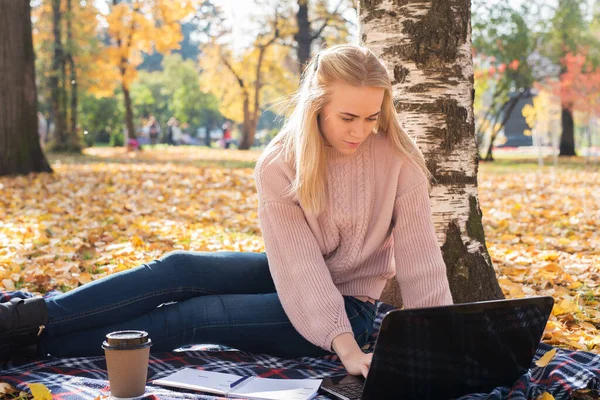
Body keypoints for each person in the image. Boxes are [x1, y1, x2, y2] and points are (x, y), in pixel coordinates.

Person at [0, 45, 453, 378]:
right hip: (296, 278)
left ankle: (35, 345)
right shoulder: (281, 164)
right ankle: (24, 318)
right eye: (348, 118)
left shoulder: (399, 161)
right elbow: (297, 266)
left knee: (195, 316)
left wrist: (366, 347)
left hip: (347, 311)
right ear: (317, 106)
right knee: (177, 268)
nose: (362, 131)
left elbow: (422, 263)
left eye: (372, 117)